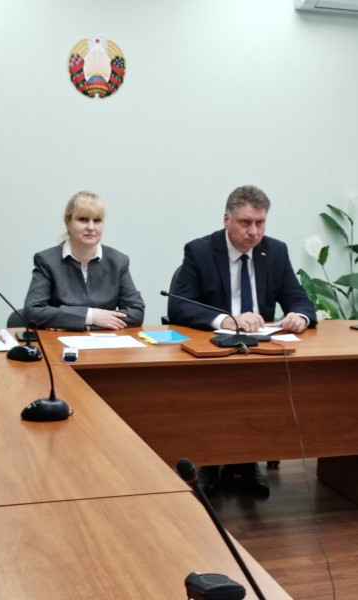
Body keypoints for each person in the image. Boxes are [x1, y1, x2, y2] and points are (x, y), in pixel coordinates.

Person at [168, 184, 317, 498]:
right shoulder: (200, 251)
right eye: (246, 222)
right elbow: (178, 306)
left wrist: (300, 317)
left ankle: (248, 460)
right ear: (227, 220)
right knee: (220, 392)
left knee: (261, 393)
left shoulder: (275, 251)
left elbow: (299, 300)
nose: (254, 232)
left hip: (260, 351)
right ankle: (210, 462)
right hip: (213, 350)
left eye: (260, 223)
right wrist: (225, 320)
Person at [24, 191, 145, 331]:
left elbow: (136, 312)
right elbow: (33, 311)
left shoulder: (118, 261)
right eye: (83, 219)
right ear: (67, 222)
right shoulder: (47, 260)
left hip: (105, 341)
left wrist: (76, 324)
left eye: (97, 220)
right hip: (58, 341)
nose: (91, 227)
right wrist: (91, 316)